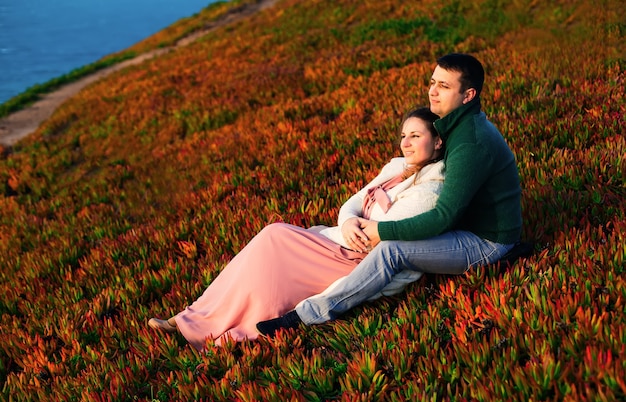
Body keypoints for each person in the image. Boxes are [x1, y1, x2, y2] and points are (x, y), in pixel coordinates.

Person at [256, 53, 524, 337]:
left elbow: (443, 217)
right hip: (466, 225)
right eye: (433, 82)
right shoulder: (458, 126)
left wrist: (380, 230)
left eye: (444, 86)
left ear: (468, 95)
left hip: (485, 242)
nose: (432, 91)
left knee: (391, 251)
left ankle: (307, 315)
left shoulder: (470, 142)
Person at [148, 107, 446, 349]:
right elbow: (352, 204)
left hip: (356, 261)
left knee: (274, 237)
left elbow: (383, 236)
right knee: (267, 246)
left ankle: (219, 328)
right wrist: (348, 221)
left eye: (415, 135)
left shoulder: (432, 188)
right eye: (404, 135)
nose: (405, 142)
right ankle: (191, 315)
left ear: (437, 142)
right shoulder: (396, 166)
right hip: (338, 240)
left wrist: (353, 227)